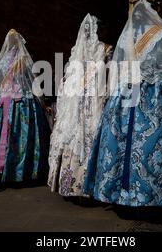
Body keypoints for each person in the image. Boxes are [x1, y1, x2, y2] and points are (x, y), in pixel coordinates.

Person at [84, 0, 162, 207]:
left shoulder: (127, 37)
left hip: (127, 91)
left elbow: (119, 68)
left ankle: (124, 193)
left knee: (122, 138)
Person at [0, 30, 50, 184]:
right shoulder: (24, 59)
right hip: (21, 101)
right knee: (21, 135)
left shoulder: (1, 60)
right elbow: (32, 82)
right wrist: (42, 102)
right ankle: (19, 172)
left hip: (2, 100)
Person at [48, 14, 107, 197]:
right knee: (90, 134)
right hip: (93, 101)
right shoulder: (104, 49)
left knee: (75, 137)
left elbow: (67, 82)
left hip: (79, 104)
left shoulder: (76, 53)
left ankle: (70, 184)